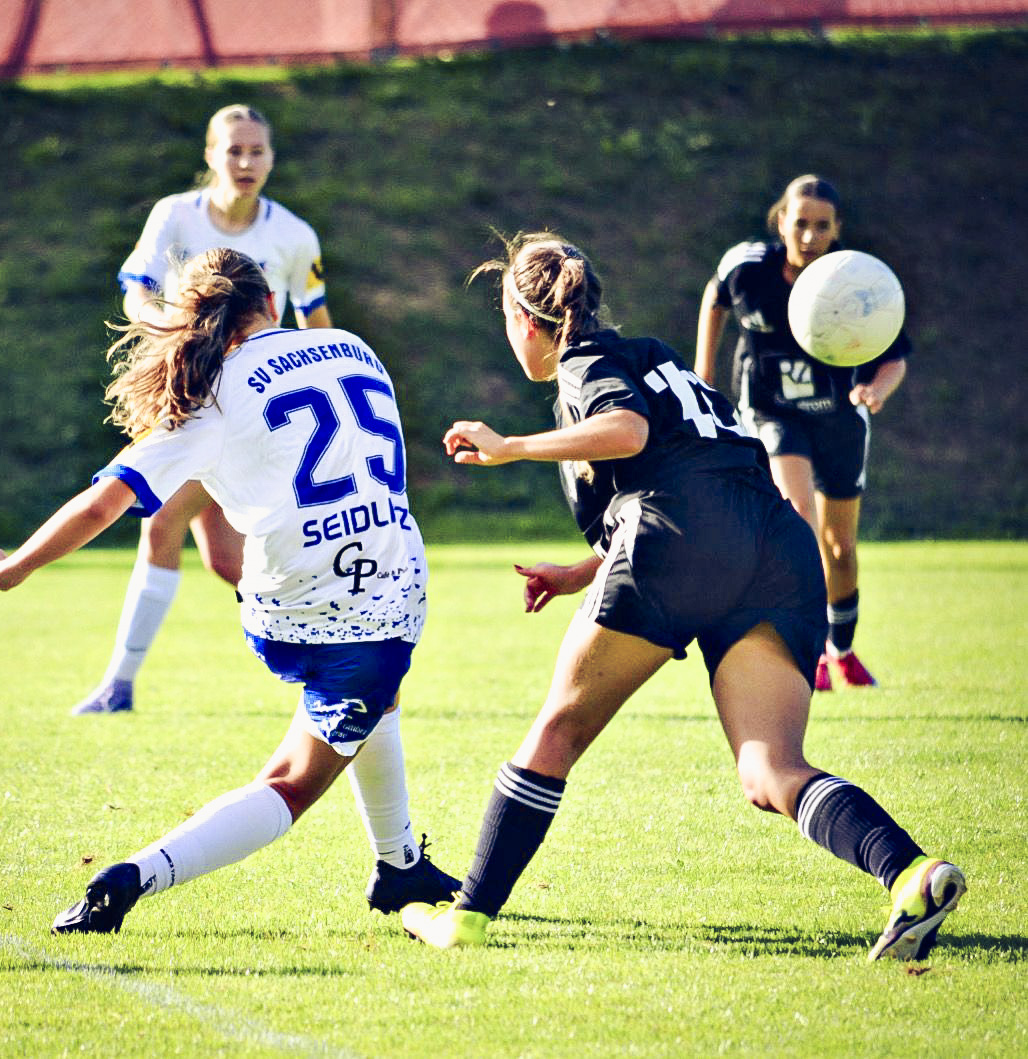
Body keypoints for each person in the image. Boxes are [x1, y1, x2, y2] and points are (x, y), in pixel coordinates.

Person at [399, 233, 963, 962]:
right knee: (769, 769)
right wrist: (583, 570)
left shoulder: (584, 362)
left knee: (558, 732)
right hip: (775, 546)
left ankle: (466, 917)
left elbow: (628, 433)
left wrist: (511, 445)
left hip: (680, 543)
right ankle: (911, 873)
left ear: (523, 320)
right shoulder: (656, 358)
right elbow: (697, 478)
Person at [0, 248, 458, 932]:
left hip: (286, 602)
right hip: (374, 593)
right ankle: (132, 876)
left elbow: (104, 503)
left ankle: (399, 863)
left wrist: (14, 565)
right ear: (273, 303)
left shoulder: (211, 396)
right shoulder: (355, 348)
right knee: (290, 783)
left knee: (380, 695)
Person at [72, 102, 333, 716]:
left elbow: (315, 319)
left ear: (272, 158)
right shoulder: (175, 216)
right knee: (227, 560)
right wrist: (173, 327)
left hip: (251, 407)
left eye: (257, 151)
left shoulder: (294, 235)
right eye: (233, 150)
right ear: (210, 155)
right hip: (189, 392)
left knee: (159, 521)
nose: (245, 162)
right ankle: (335, 646)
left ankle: (118, 686)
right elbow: (136, 291)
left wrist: (328, 381)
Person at [694, 174, 910, 691]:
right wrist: (704, 370)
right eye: (800, 224)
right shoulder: (747, 267)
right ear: (781, 222)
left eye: (822, 226)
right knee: (799, 521)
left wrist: (876, 390)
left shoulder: (856, 282)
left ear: (837, 229)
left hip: (839, 418)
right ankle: (808, 649)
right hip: (773, 413)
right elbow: (715, 297)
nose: (810, 236)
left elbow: (895, 356)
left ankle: (842, 650)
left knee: (840, 548)